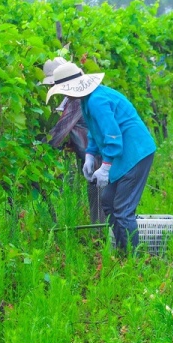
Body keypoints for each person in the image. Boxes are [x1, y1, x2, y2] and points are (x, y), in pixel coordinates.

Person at [46, 62, 156, 251]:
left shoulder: (97, 100)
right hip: (124, 152)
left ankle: (135, 259)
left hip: (135, 153)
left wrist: (105, 167)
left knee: (123, 210)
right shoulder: (87, 100)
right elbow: (95, 132)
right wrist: (90, 155)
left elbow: (113, 136)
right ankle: (123, 250)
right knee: (108, 202)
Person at [40, 57, 104, 223]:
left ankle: (103, 237)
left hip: (99, 156)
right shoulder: (73, 98)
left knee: (101, 199)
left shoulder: (76, 100)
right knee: (99, 197)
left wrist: (37, 151)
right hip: (94, 155)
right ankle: (101, 236)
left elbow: (59, 133)